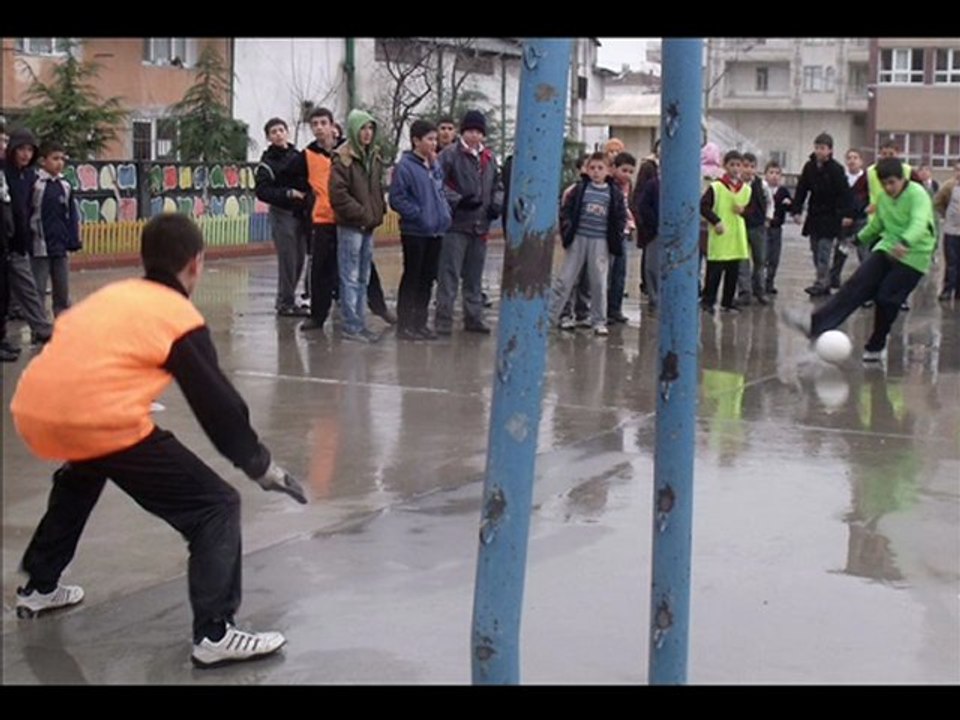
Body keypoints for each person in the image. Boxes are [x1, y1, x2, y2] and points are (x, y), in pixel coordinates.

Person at [11, 213, 306, 667]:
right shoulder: (177, 316)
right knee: (216, 506)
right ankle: (215, 633)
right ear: (195, 264)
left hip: (34, 409)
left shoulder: (114, 295)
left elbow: (82, 352)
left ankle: (40, 586)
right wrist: (259, 465)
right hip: (97, 418)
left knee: (86, 468)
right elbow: (218, 405)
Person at [781, 158, 938, 362]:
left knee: (886, 298)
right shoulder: (883, 198)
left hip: (914, 255)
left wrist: (905, 242)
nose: (888, 188)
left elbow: (919, 223)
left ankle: (876, 345)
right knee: (856, 285)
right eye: (884, 184)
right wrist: (857, 239)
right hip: (888, 248)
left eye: (892, 182)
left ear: (902, 179)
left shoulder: (917, 195)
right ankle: (816, 324)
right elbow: (877, 225)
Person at [435, 110, 503, 335]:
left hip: (480, 226)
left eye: (478, 132)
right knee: (449, 275)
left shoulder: (489, 158)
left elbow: (497, 186)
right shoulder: (449, 155)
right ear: (463, 132)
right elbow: (437, 183)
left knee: (474, 277)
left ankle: (473, 318)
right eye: (470, 131)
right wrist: (459, 201)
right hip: (456, 225)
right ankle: (443, 320)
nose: (474, 136)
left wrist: (496, 204)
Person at [548, 151, 626, 336]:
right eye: (592, 168)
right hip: (578, 239)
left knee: (598, 282)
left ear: (608, 171)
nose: (596, 172)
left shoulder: (613, 193)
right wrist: (567, 231)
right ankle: (553, 316)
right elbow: (566, 210)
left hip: (600, 242)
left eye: (600, 168)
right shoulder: (580, 189)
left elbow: (620, 215)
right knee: (565, 280)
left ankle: (599, 320)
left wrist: (617, 234)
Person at [389, 119, 451, 340]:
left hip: (435, 230)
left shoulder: (434, 165)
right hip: (415, 231)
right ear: (416, 140)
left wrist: (443, 214)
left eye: (435, 139)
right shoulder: (405, 166)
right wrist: (417, 214)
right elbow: (397, 198)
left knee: (427, 278)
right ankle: (405, 324)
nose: (434, 143)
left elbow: (440, 191)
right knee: (412, 277)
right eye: (430, 139)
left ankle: (420, 322)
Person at [329, 109, 386, 343]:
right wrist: (363, 213)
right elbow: (338, 196)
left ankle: (360, 323)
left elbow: (376, 189)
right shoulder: (343, 159)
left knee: (363, 276)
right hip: (351, 226)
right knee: (350, 277)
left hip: (368, 226)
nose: (367, 133)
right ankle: (351, 325)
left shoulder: (373, 156)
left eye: (370, 128)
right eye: (363, 128)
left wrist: (378, 210)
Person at [254, 117, 311, 317]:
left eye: (281, 130)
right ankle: (285, 301)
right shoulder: (267, 163)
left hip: (300, 213)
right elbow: (262, 191)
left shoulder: (298, 156)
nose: (278, 134)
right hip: (282, 213)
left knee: (299, 258)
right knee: (288, 259)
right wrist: (288, 193)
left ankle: (289, 298)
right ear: (269, 137)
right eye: (273, 132)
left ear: (287, 132)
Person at [3, 128, 53, 344]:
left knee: (26, 288)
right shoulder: (4, 172)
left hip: (19, 243)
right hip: (6, 240)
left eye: (30, 150)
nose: (25, 154)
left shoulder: (29, 176)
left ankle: (42, 328)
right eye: (21, 149)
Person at [789, 132, 854, 297]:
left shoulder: (836, 169)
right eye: (817, 147)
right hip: (814, 215)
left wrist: (847, 214)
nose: (819, 151)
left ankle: (821, 282)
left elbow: (845, 193)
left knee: (824, 250)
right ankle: (823, 281)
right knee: (815, 249)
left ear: (830, 150)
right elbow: (802, 189)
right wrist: (796, 210)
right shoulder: (809, 167)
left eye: (822, 148)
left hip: (831, 216)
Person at [29, 140, 81, 318]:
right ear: (43, 161)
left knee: (62, 290)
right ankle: (40, 328)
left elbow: (71, 214)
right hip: (39, 246)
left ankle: (63, 325)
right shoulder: (35, 184)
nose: (60, 163)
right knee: (38, 289)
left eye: (62, 159)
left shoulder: (65, 186)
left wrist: (73, 239)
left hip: (60, 247)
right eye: (55, 158)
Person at [700, 150, 751, 314]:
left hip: (736, 238)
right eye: (732, 165)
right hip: (720, 237)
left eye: (738, 165)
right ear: (725, 165)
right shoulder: (716, 187)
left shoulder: (746, 189)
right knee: (714, 272)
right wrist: (716, 221)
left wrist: (744, 211)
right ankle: (708, 301)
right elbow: (703, 207)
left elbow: (756, 210)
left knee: (732, 273)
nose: (736, 168)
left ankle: (727, 303)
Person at [828, 149, 871, 290]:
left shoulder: (866, 180)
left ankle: (866, 284)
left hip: (861, 220)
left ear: (861, 161)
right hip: (844, 222)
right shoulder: (842, 178)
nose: (852, 161)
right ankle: (833, 280)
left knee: (863, 252)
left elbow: (867, 200)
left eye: (855, 157)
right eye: (849, 158)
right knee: (841, 251)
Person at [735, 152, 770, 306]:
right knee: (742, 260)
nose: (748, 170)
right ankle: (744, 292)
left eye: (752, 166)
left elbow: (769, 202)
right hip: (741, 226)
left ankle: (760, 290)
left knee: (760, 260)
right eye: (745, 166)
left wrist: (768, 218)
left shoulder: (761, 184)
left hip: (758, 226)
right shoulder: (736, 185)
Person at [607, 151, 636, 324]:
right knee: (608, 273)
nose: (627, 175)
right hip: (610, 233)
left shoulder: (628, 186)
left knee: (620, 272)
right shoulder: (610, 186)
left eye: (631, 172)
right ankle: (605, 309)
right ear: (614, 169)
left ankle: (615, 308)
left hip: (623, 232)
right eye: (624, 170)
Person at [763, 160, 792, 296]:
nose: (774, 176)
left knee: (774, 257)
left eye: (777, 173)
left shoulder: (783, 191)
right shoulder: (762, 189)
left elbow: (791, 207)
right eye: (771, 173)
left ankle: (770, 282)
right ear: (765, 175)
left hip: (776, 228)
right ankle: (759, 282)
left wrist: (789, 204)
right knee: (763, 256)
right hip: (763, 227)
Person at [635, 159, 661, 311]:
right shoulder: (653, 184)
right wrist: (653, 224)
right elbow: (642, 205)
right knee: (652, 265)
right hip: (654, 231)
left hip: (673, 232)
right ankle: (654, 296)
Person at [933, 162, 960, 301]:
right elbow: (937, 202)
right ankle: (948, 289)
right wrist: (944, 214)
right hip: (951, 231)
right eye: (958, 170)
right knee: (951, 262)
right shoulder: (948, 186)